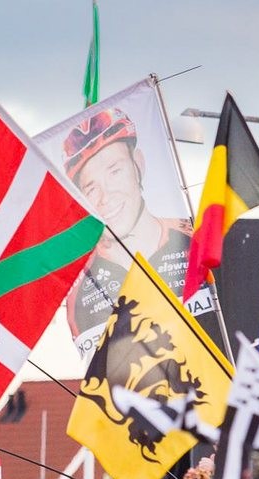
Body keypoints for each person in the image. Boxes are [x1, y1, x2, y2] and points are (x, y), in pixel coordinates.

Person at [60, 106, 194, 354]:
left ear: (138, 165)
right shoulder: (80, 289)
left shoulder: (194, 240)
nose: (105, 196)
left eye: (115, 171)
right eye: (90, 188)